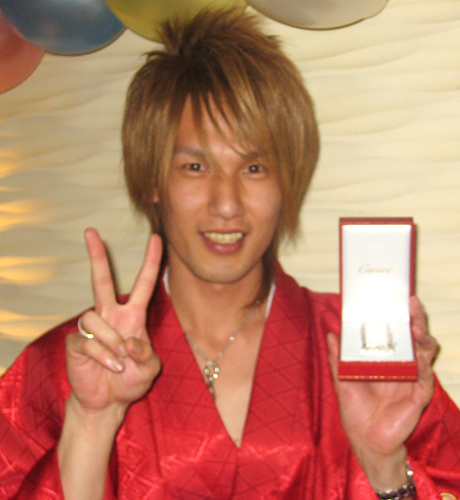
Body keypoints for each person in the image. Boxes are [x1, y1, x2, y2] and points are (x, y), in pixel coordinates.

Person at [1, 6, 460, 500]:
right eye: (195, 167)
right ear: (153, 180)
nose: (226, 204)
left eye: (255, 168)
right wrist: (90, 424)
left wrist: (386, 469)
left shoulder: (359, 352)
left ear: (287, 182)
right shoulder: (67, 365)